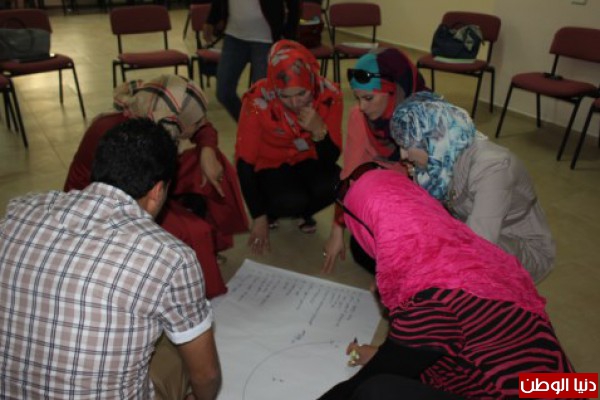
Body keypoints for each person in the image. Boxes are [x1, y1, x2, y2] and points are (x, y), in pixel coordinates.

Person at [0, 119, 221, 399]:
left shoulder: (19, 210)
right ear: (157, 191)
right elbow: (206, 375)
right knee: (177, 355)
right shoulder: (171, 257)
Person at [319, 164, 574, 400]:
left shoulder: (428, 297)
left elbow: (365, 382)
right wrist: (386, 356)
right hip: (564, 387)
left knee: (374, 391)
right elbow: (427, 348)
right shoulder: (474, 251)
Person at [64, 74, 248, 298]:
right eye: (196, 122)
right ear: (174, 120)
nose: (202, 125)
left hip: (141, 181)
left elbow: (203, 128)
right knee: (194, 231)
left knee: (210, 163)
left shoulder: (154, 111)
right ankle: (203, 294)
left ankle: (212, 244)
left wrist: (208, 150)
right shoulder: (131, 140)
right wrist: (179, 221)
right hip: (106, 203)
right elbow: (135, 200)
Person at [389, 90, 555, 283]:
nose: (403, 155)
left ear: (433, 141)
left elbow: (477, 246)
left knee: (443, 267)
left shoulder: (493, 167)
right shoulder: (442, 157)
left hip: (521, 245)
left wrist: (409, 275)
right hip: (471, 228)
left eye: (406, 146)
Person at [322, 48, 426, 274]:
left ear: (393, 91)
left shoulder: (425, 119)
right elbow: (350, 173)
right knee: (361, 246)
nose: (362, 107)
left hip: (421, 203)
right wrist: (337, 230)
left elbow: (436, 190)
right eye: (358, 98)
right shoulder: (359, 117)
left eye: (369, 98)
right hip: (389, 196)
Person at [236, 39, 342, 254]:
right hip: (270, 165)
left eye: (302, 94)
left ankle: (304, 212)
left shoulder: (330, 96)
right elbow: (244, 163)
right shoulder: (255, 101)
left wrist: (319, 131)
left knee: (338, 183)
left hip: (307, 159)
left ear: (312, 83)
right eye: (285, 96)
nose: (295, 103)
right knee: (290, 201)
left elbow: (331, 159)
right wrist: (258, 216)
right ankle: (272, 211)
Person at [204, 0, 300, 121]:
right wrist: (211, 20)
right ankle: (250, 124)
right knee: (224, 92)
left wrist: (289, 33)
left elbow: (294, 4)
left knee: (262, 96)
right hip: (234, 36)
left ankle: (260, 128)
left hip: (265, 39)